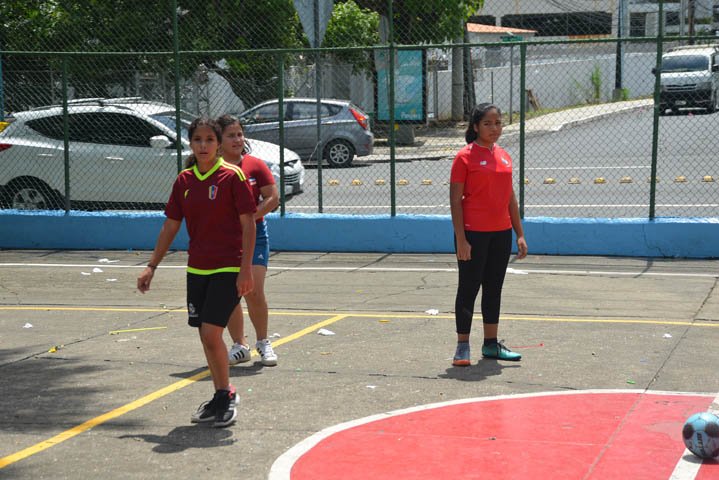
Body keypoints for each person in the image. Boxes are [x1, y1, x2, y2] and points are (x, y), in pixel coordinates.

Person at [137, 117, 257, 427]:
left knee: (210, 333)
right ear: (190, 144)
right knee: (206, 337)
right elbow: (171, 225)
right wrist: (151, 266)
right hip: (197, 269)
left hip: (228, 267)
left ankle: (226, 395)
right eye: (197, 140)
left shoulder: (233, 176)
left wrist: (245, 270)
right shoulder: (184, 181)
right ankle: (221, 394)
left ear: (218, 144)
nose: (203, 145)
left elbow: (248, 224)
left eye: (209, 140)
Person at [449, 103, 528, 366]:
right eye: (487, 124)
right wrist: (461, 239)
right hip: (473, 234)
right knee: (468, 288)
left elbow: (510, 198)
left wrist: (519, 233)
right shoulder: (464, 157)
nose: (494, 128)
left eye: (498, 123)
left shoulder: (504, 156)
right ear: (475, 127)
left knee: (493, 289)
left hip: (501, 234)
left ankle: (491, 344)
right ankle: (462, 346)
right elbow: (455, 201)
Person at [216, 114, 280, 367]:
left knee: (253, 290)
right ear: (219, 140)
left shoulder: (254, 165)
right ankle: (240, 346)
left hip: (255, 235)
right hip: (225, 239)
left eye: (240, 134)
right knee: (231, 292)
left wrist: (250, 218)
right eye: (231, 135)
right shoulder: (213, 168)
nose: (237, 139)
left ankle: (263, 341)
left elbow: (272, 198)